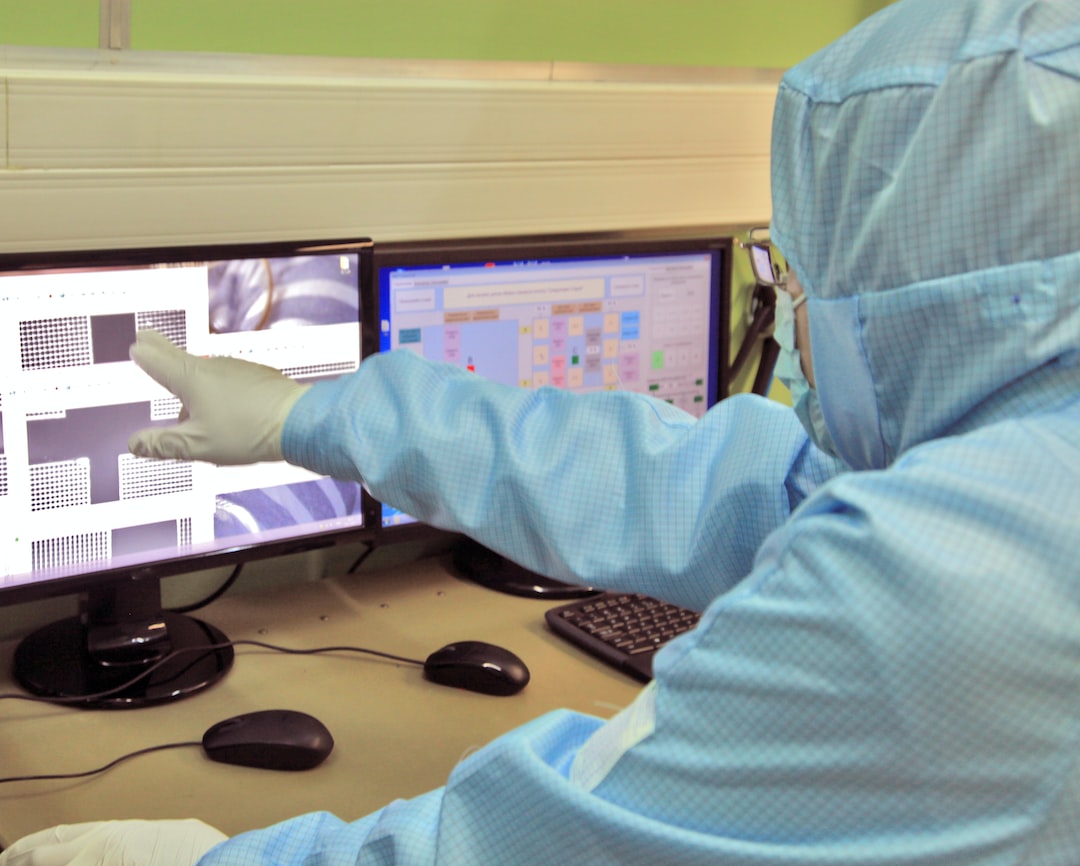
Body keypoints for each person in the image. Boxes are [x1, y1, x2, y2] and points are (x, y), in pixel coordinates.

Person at [4, 0, 1079, 862]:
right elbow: (715, 483)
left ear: (929, 281)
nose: (791, 312)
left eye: (809, 274)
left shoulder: (965, 572)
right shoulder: (1014, 466)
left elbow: (539, 841)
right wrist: (310, 413)